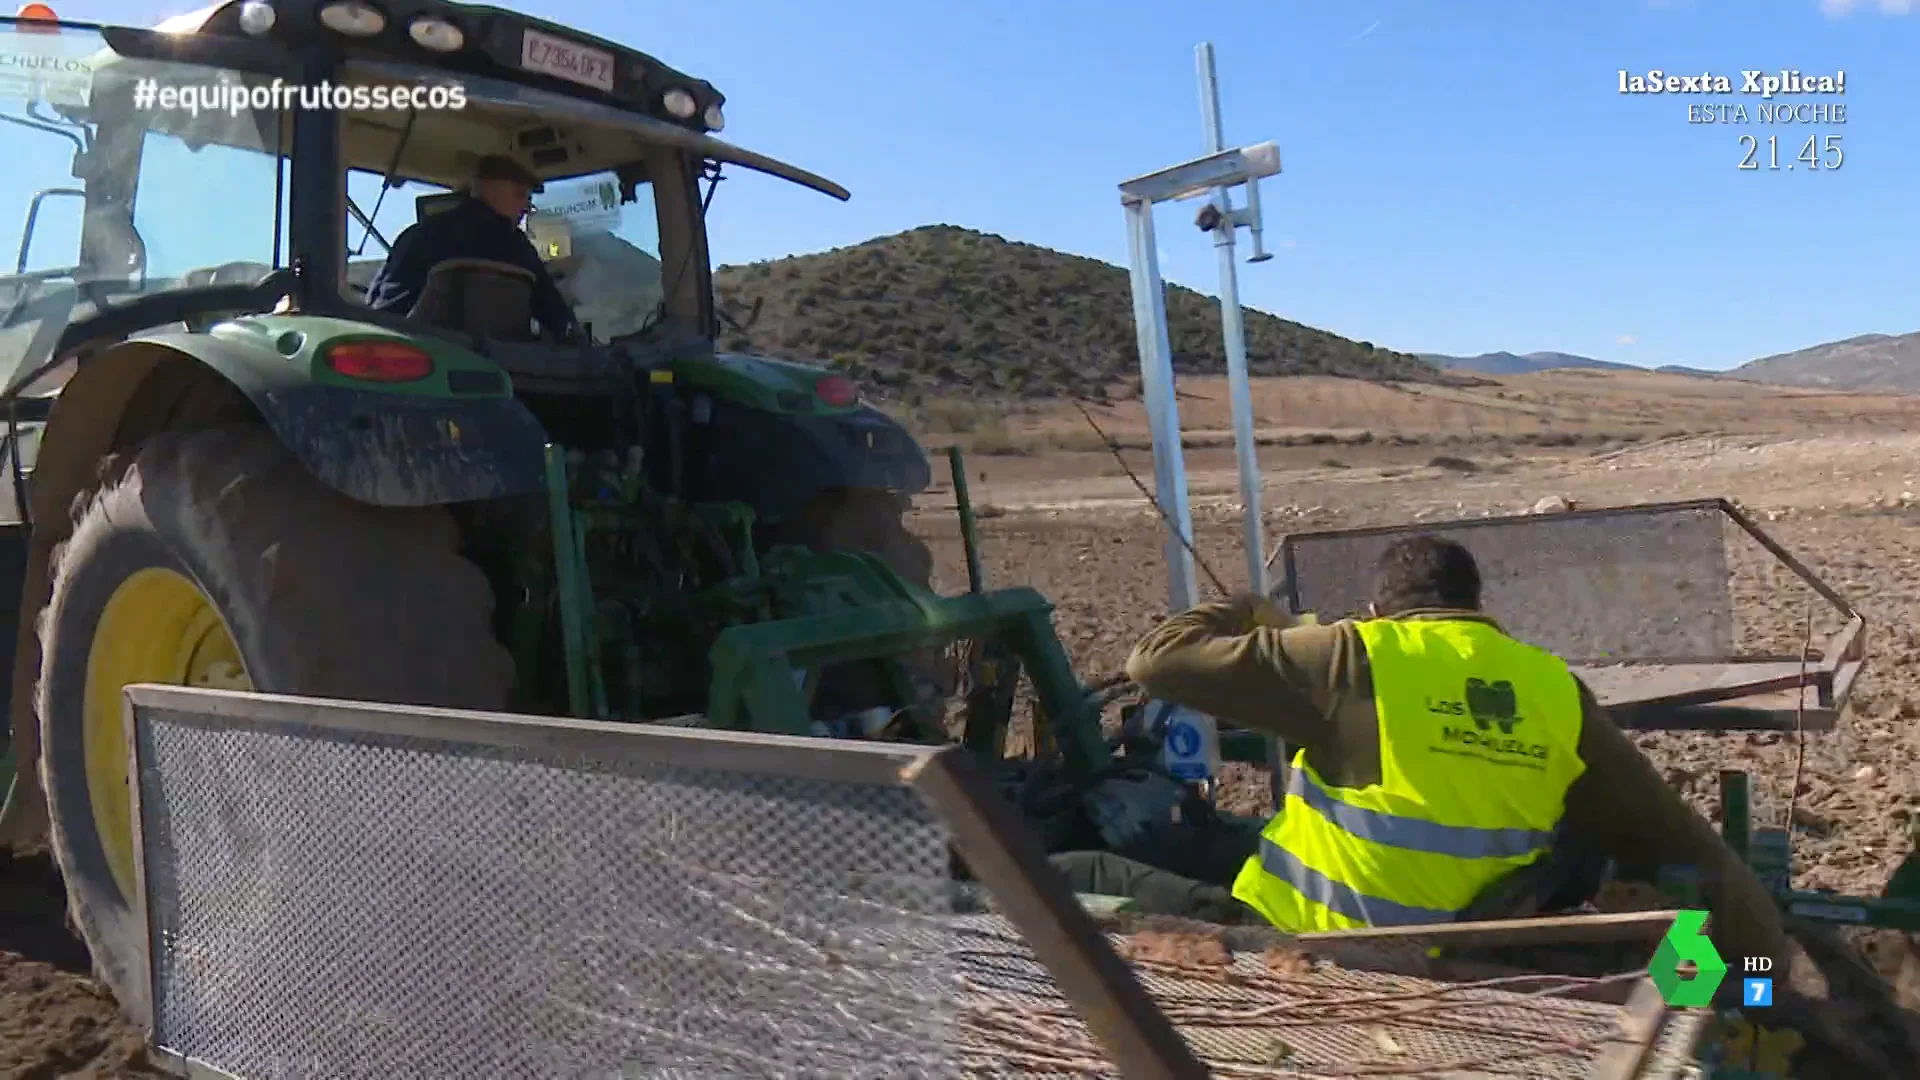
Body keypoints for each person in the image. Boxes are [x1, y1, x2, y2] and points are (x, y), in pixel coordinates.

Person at [1057, 534, 1791, 975]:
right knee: (1235, 840)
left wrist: (1248, 609)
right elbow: (1681, 842)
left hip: (1311, 943)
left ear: (1380, 608)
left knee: (1071, 870)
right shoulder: (1551, 688)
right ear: (1478, 604)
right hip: (1460, 936)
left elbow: (1157, 660)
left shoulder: (1354, 653)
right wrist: (1761, 977)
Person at [364, 154, 578, 339]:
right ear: (488, 188)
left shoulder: (423, 236)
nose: (525, 207)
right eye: (520, 195)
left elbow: (384, 315)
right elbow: (559, 320)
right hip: (513, 375)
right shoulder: (522, 251)